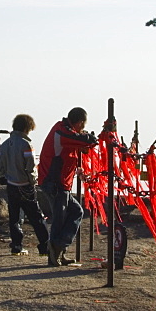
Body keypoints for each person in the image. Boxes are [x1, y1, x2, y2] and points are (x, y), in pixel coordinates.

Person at [38, 107, 97, 267]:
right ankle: (55, 251)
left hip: (61, 183)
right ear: (80, 122)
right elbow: (83, 141)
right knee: (60, 218)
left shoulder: (65, 132)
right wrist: (90, 138)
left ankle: (60, 249)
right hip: (55, 183)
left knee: (75, 212)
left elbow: (79, 143)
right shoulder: (62, 131)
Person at [0, 114, 49, 257]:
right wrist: (33, 180)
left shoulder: (5, 144)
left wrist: (5, 175)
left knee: (14, 218)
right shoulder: (26, 144)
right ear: (27, 128)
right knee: (36, 217)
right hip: (25, 185)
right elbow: (30, 165)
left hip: (11, 184)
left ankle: (16, 246)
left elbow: (0, 164)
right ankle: (45, 246)